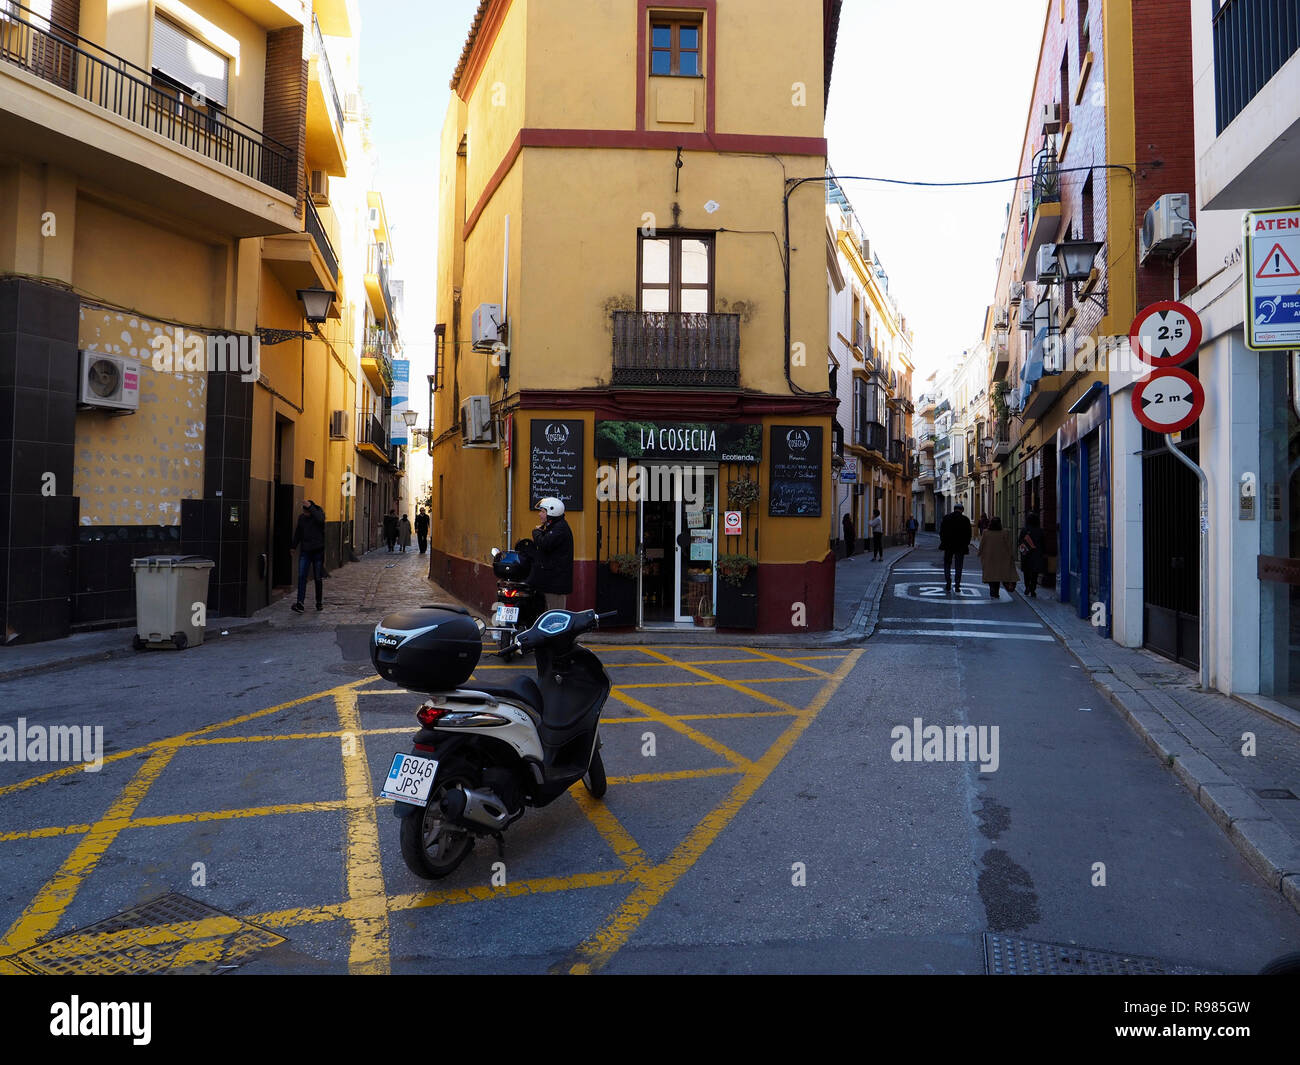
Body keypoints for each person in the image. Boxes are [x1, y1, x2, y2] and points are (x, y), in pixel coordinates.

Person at [531, 497, 574, 610]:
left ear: (551, 512)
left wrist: (536, 533)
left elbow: (544, 543)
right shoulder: (554, 527)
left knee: (555, 617)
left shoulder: (560, 528)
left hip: (555, 585)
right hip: (550, 582)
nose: (540, 514)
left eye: (543, 511)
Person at [290, 499, 326, 613]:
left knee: (317, 578)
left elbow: (320, 519)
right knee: (301, 576)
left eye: (306, 511)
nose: (304, 514)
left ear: (310, 510)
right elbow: (298, 533)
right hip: (305, 551)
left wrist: (311, 507)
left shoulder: (318, 514)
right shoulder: (302, 518)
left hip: (318, 551)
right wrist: (293, 546)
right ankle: (300, 603)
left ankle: (319, 602)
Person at [977, 517, 1018, 598]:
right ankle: (996, 591)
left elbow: (982, 544)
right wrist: (1011, 555)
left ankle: (993, 590)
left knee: (991, 575)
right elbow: (1009, 545)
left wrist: (980, 552)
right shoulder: (1005, 532)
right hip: (1002, 558)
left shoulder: (986, 532)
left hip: (989, 557)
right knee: (998, 575)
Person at [938, 502, 972, 592]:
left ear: (954, 509)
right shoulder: (965, 520)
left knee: (947, 564)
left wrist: (943, 541)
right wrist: (966, 544)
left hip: (948, 546)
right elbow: (969, 534)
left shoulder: (946, 518)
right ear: (962, 510)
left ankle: (948, 581)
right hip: (960, 547)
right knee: (959, 566)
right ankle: (957, 585)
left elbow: (941, 532)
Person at [1018, 511, 1045, 598]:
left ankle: (1027, 587)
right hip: (1036, 555)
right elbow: (1043, 543)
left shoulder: (1024, 530)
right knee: (1034, 573)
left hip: (1026, 554)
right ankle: (1033, 589)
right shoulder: (1040, 531)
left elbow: (1020, 542)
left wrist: (1022, 551)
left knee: (1026, 572)